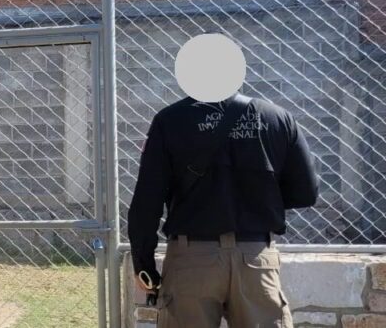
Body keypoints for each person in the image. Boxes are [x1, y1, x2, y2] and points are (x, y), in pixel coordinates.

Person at [127, 89, 319, 327]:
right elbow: (306, 193)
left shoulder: (170, 120)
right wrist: (262, 201)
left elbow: (147, 200)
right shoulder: (277, 117)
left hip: (191, 259)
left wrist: (143, 264)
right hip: (256, 257)